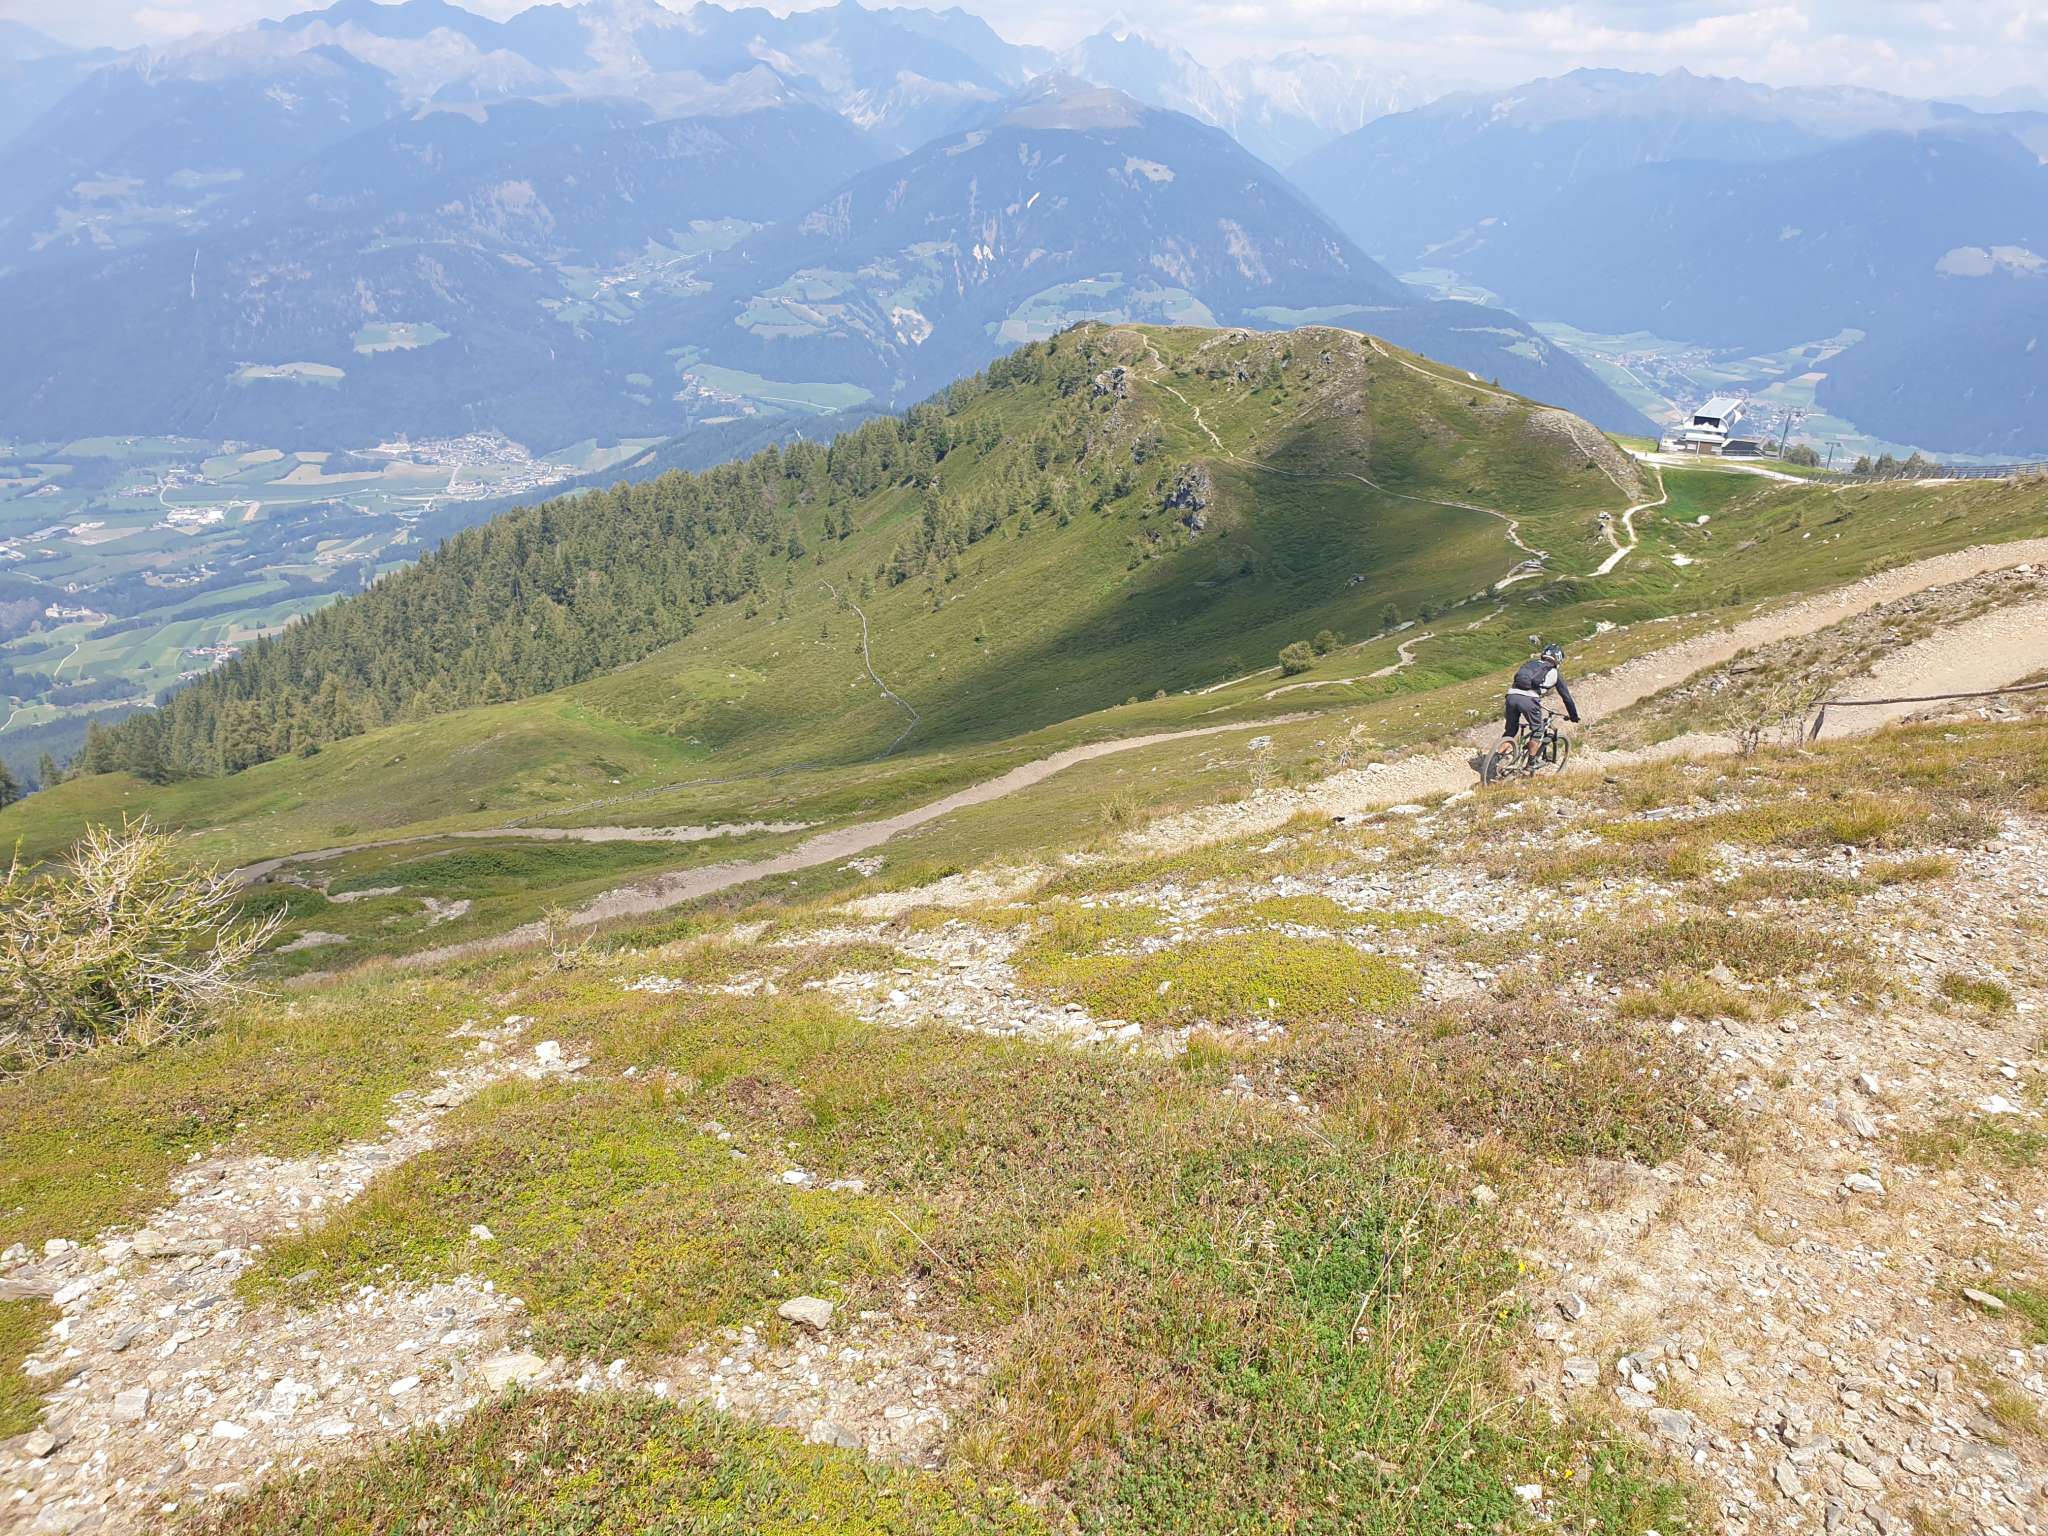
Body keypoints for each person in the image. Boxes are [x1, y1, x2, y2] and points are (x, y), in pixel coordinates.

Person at [1502, 642, 1580, 748]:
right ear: (1558, 659)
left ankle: (1496, 756)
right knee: (1538, 731)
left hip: (1511, 696)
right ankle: (1532, 758)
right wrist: (1573, 716)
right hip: (1529, 700)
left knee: (1510, 732)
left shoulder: (1530, 663)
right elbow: (1567, 698)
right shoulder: (1555, 673)